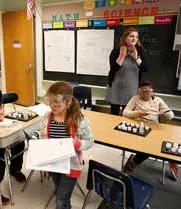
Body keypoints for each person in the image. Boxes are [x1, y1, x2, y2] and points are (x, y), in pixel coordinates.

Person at [41, 81, 94, 209]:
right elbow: (43, 136)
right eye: (50, 101)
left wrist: (77, 144)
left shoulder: (79, 120)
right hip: (54, 163)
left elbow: (90, 141)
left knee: (60, 198)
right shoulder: (47, 118)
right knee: (61, 193)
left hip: (71, 164)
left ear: (68, 102)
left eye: (57, 102)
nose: (52, 105)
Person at [122, 81, 178, 180]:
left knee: (156, 146)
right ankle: (133, 163)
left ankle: (133, 162)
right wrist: (138, 114)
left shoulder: (158, 100)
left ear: (152, 92)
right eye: (142, 92)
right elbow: (125, 112)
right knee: (148, 147)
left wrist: (165, 113)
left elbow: (171, 115)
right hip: (138, 127)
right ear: (139, 91)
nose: (144, 94)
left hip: (153, 128)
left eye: (147, 92)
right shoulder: (135, 99)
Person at [106, 27, 149, 116]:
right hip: (116, 86)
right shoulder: (116, 50)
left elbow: (145, 69)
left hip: (132, 88)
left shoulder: (140, 51)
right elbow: (113, 69)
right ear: (125, 38)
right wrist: (122, 56)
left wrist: (136, 58)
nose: (134, 39)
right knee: (114, 114)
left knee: (128, 114)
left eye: (136, 37)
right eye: (131, 36)